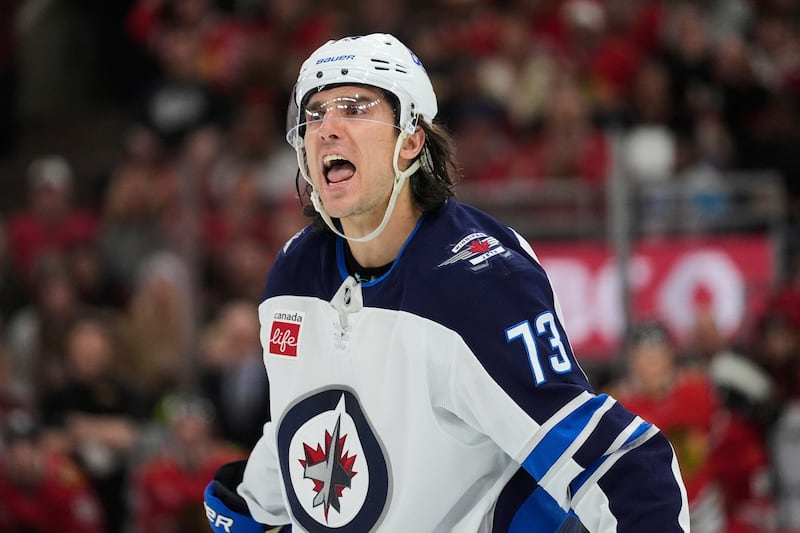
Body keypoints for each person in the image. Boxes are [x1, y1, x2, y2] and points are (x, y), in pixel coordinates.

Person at [203, 33, 689, 532]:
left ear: (411, 139)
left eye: (353, 107)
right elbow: (303, 421)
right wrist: (250, 507)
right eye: (316, 112)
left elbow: (617, 464)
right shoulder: (294, 273)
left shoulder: (480, 281)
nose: (326, 127)